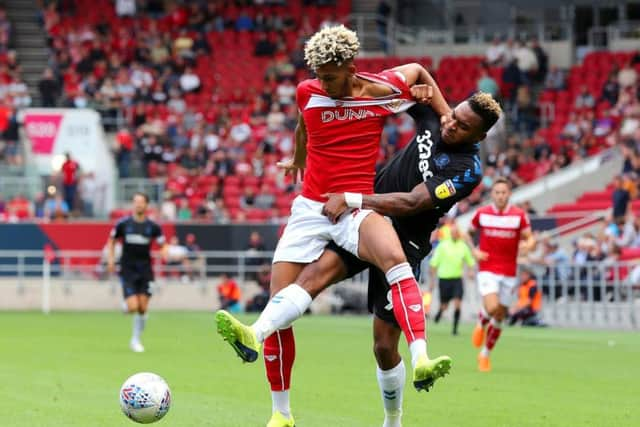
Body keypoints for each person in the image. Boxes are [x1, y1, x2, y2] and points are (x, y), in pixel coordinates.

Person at [215, 25, 452, 427]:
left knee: (394, 257)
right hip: (309, 208)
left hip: (354, 206)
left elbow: (418, 70)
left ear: (349, 66)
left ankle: (422, 358)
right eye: (318, 74)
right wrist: (297, 158)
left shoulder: (383, 91)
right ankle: (281, 412)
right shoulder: (308, 92)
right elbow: (304, 124)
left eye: (329, 75)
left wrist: (445, 114)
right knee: (281, 305)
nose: (321, 82)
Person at [468, 177, 536, 372]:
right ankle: (482, 320)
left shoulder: (519, 216)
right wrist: (474, 250)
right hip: (488, 268)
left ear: (509, 194)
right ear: (492, 194)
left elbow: (530, 238)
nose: (500, 196)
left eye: (504, 192)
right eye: (497, 192)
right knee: (492, 307)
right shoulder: (482, 213)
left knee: (500, 316)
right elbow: (466, 233)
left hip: (509, 272)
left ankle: (485, 355)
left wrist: (527, 246)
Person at [107, 193, 168, 353]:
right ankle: (126, 306)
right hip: (128, 269)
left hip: (146, 270)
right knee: (133, 306)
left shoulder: (153, 227)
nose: (138, 205)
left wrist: (164, 252)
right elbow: (112, 240)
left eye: (141, 202)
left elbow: (163, 244)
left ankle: (135, 340)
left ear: (147, 205)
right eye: (136, 202)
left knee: (142, 308)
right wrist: (111, 260)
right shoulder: (123, 224)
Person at [429, 222, 476, 335]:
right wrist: (432, 280)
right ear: (450, 234)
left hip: (457, 279)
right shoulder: (443, 245)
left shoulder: (462, 246)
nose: (455, 234)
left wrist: (470, 271)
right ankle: (440, 312)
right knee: (444, 305)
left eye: (457, 233)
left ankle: (454, 329)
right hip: (444, 279)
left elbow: (470, 261)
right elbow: (434, 263)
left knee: (457, 303)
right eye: (453, 232)